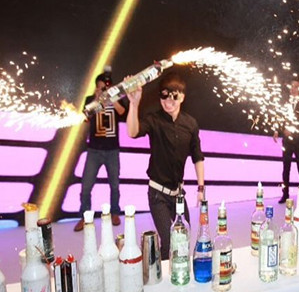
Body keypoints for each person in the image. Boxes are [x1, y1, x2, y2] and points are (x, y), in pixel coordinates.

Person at [127, 71, 205, 259]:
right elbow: (133, 132)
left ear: (182, 97)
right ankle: (163, 272)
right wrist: (134, 104)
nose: (168, 101)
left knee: (184, 236)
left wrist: (201, 188)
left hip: (178, 194)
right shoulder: (154, 120)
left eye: (173, 96)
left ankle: (177, 270)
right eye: (164, 96)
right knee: (169, 241)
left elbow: (197, 157)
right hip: (158, 194)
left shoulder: (190, 124)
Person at [73, 72, 127, 231]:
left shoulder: (116, 98)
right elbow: (86, 117)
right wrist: (97, 99)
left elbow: (122, 112)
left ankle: (115, 212)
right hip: (94, 150)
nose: (103, 89)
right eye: (100, 87)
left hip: (112, 150)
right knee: (86, 186)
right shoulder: (90, 100)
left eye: (106, 87)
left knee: (115, 185)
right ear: (96, 87)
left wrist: (112, 98)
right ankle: (85, 216)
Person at [273, 78, 299, 204]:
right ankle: (285, 194)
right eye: (292, 86)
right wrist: (278, 130)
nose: (293, 89)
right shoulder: (285, 103)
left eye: (296, 86)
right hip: (287, 142)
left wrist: (293, 131)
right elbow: (279, 118)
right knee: (286, 168)